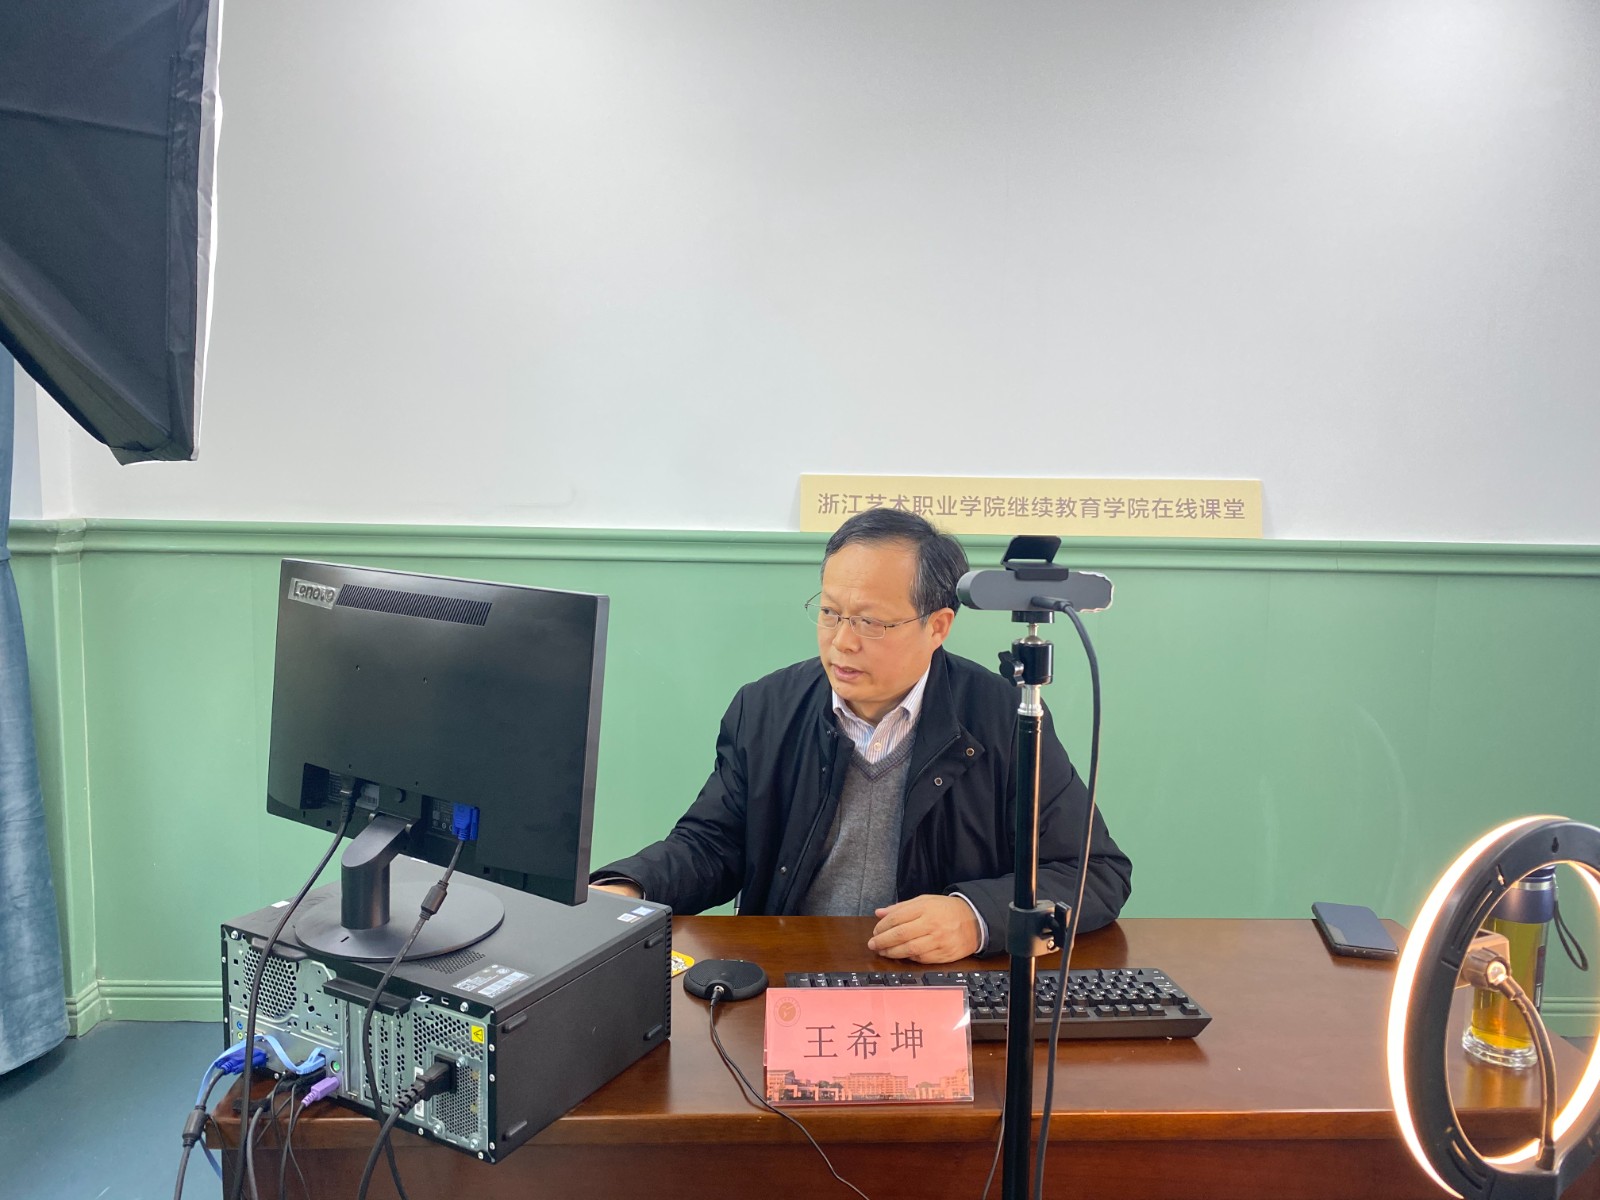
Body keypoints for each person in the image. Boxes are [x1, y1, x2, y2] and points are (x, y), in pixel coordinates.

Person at [591, 507, 1132, 964]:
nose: (841, 642)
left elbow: (1097, 873)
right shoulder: (767, 708)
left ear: (938, 626)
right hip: (788, 972)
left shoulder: (1003, 716)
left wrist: (977, 918)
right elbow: (711, 845)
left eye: (871, 622)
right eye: (830, 613)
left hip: (935, 988)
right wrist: (631, 889)